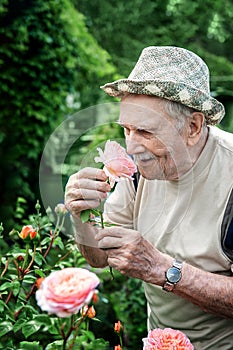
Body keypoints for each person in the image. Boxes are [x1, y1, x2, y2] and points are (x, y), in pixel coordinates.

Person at [65, 46, 233, 349]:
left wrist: (162, 269)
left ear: (193, 127)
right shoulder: (137, 172)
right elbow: (100, 257)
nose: (132, 147)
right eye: (127, 130)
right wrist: (81, 216)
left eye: (145, 131)